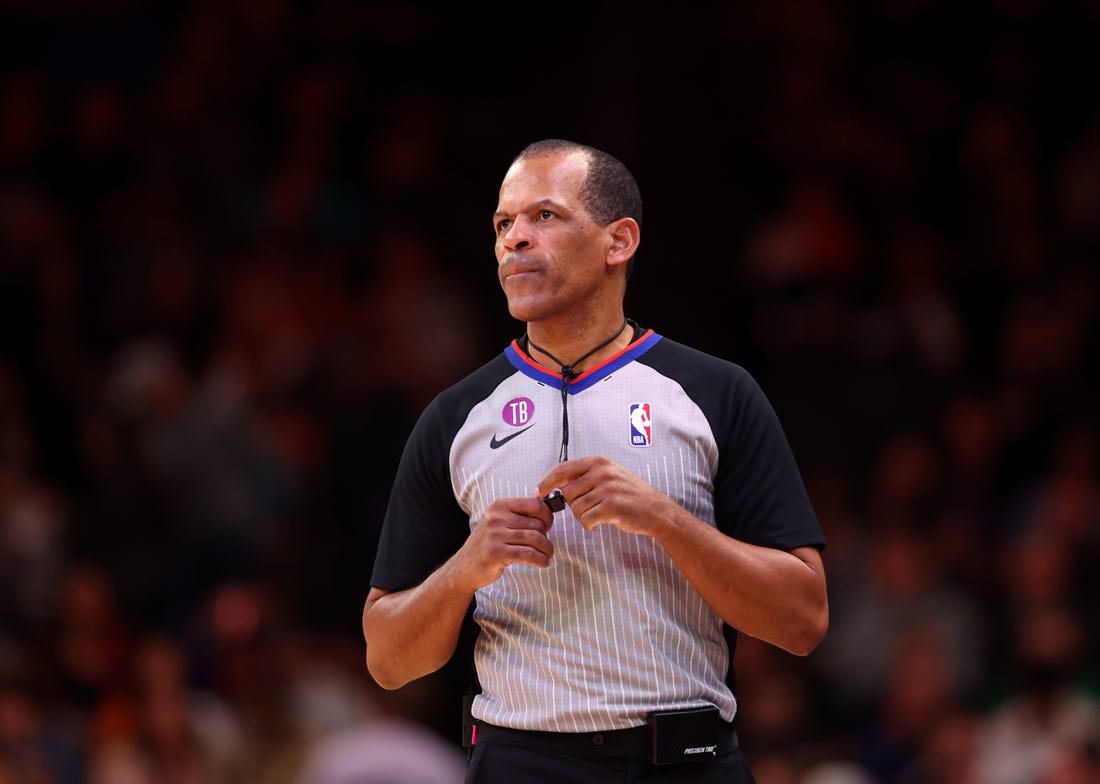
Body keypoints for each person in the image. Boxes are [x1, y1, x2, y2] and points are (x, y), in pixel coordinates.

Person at [361, 138, 829, 782]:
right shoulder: (455, 417)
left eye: (544, 216)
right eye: (503, 224)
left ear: (620, 241)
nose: (514, 240)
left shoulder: (716, 393)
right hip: (521, 760)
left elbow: (804, 620)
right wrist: (467, 568)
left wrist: (665, 518)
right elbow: (387, 660)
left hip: (687, 758)